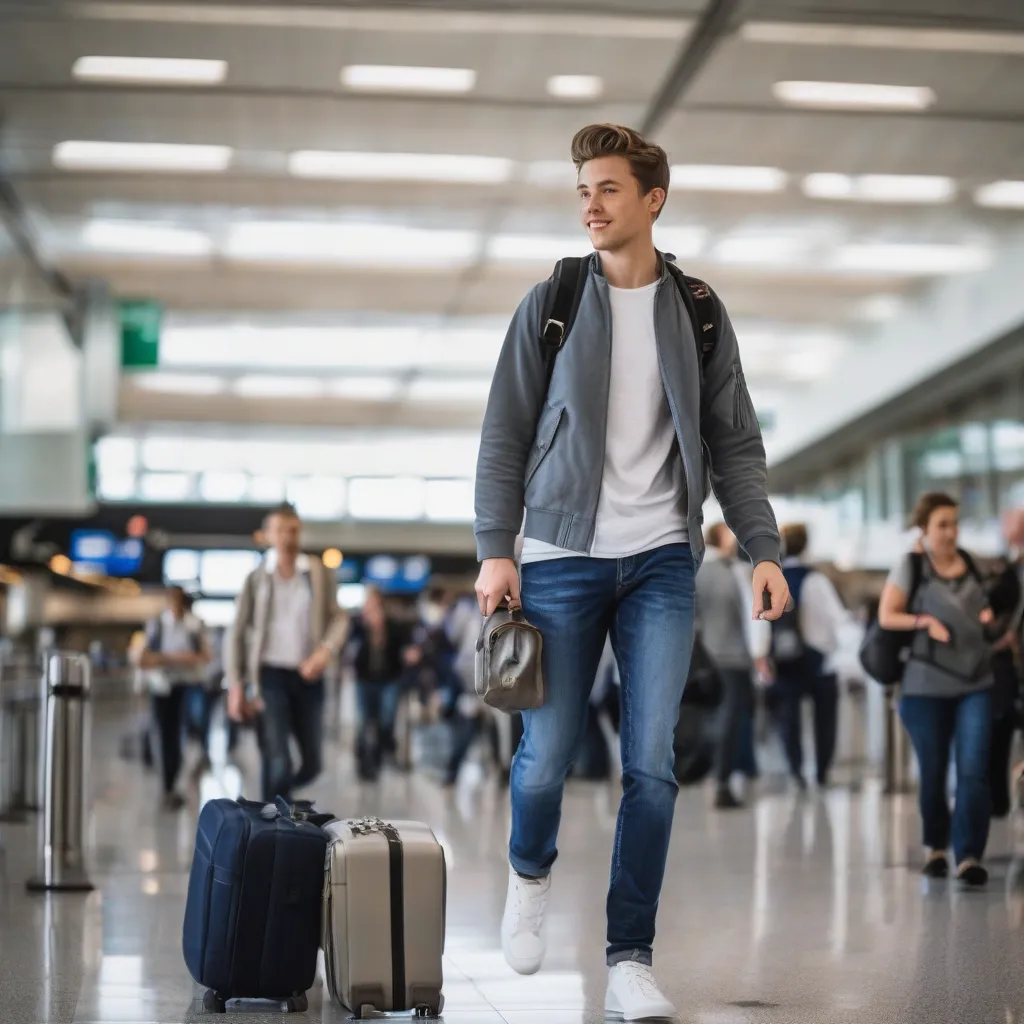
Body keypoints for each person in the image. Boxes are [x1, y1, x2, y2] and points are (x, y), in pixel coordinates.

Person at [473, 123, 789, 1021]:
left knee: (651, 765)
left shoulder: (696, 308)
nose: (590, 204)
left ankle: (629, 957)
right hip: (562, 558)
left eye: (607, 188)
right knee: (544, 761)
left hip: (661, 560)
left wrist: (762, 549)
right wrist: (499, 546)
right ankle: (529, 875)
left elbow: (734, 439)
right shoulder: (554, 300)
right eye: (582, 189)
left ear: (652, 200)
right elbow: (504, 433)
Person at [878, 492, 995, 886]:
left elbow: (995, 603)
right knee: (933, 770)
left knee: (974, 769)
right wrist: (924, 622)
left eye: (955, 523)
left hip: (976, 681)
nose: (951, 532)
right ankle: (936, 848)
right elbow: (887, 615)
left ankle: (969, 855)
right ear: (925, 528)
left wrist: (989, 616)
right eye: (942, 524)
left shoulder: (975, 564)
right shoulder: (911, 565)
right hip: (924, 687)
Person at [226, 503, 349, 802]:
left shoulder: (317, 573)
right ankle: (275, 821)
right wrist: (235, 685)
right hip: (269, 676)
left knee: (312, 764)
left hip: (308, 676)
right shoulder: (256, 579)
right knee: (277, 756)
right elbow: (238, 631)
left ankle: (277, 801)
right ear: (268, 535)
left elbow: (339, 617)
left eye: (293, 530)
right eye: (280, 530)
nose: (287, 537)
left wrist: (325, 652)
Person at [768, 523, 851, 791]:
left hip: (784, 657)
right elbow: (837, 618)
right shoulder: (816, 579)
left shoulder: (775, 578)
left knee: (789, 717)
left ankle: (796, 770)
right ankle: (821, 771)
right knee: (825, 717)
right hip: (818, 660)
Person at [695, 522, 771, 809]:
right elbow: (756, 618)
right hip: (733, 659)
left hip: (702, 659)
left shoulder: (695, 570)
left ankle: (706, 775)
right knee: (730, 721)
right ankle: (722, 782)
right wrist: (760, 655)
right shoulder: (738, 571)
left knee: (707, 718)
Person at [137, 586, 211, 810]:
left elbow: (203, 656)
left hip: (185, 686)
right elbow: (145, 657)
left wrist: (167, 659)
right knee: (163, 734)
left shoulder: (194, 625)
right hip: (160, 686)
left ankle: (171, 783)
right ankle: (167, 786)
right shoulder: (157, 625)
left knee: (180, 733)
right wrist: (178, 658)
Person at [349, 587, 418, 779]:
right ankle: (363, 764)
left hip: (389, 680)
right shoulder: (358, 626)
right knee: (363, 722)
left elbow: (404, 649)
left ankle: (378, 759)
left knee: (385, 720)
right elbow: (351, 650)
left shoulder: (394, 626)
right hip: (364, 680)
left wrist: (410, 655)